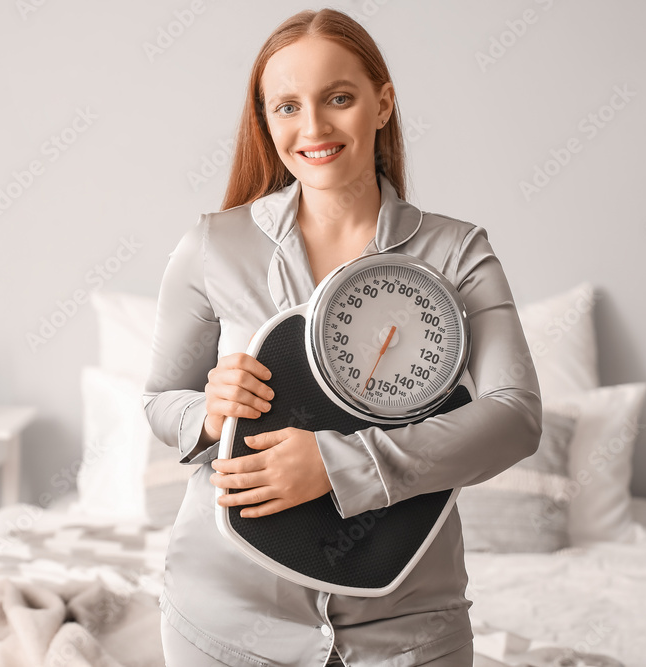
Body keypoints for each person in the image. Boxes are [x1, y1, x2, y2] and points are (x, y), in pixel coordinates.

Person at [143, 8, 542, 667]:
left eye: (338, 99)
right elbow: (160, 399)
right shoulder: (211, 246)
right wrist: (208, 413)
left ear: (382, 103)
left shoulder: (457, 252)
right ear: (266, 121)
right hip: (226, 617)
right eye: (287, 107)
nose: (314, 128)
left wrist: (341, 466)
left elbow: (516, 417)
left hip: (408, 624)